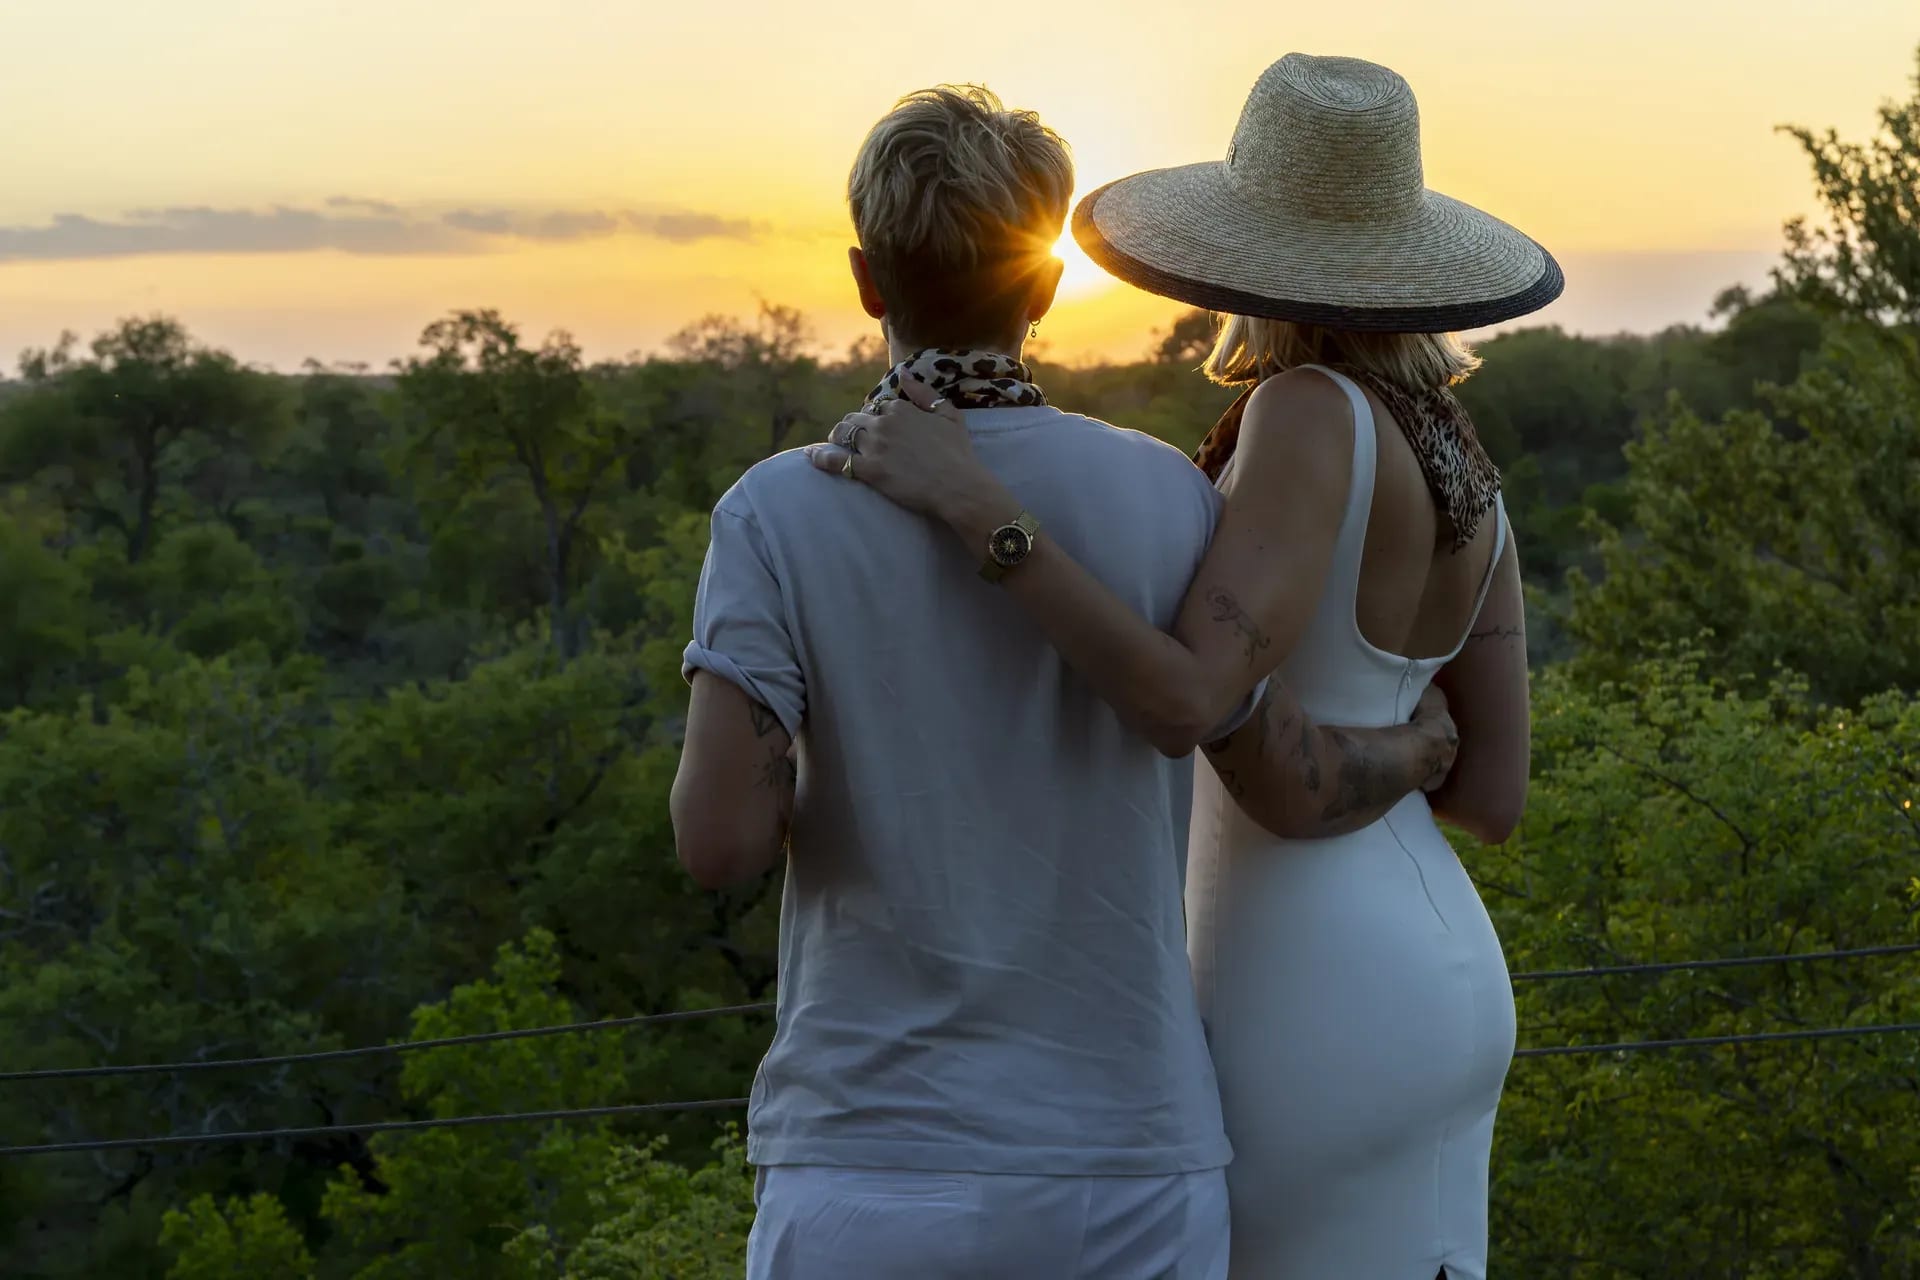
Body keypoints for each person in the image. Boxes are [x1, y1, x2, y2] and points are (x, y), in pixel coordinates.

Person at [671, 82, 1458, 1280]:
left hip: (868, 1155)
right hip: (1128, 1159)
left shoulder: (777, 511)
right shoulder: (1169, 495)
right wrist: (1417, 749)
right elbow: (1245, 727)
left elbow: (720, 840)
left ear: (867, 279)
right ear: (1043, 284)